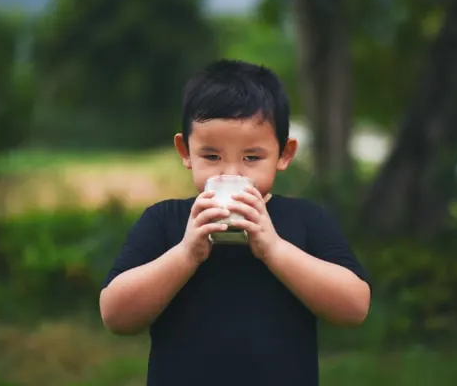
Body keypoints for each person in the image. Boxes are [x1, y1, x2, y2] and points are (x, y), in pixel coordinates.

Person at [99, 59, 371, 386]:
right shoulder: (165, 220)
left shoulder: (306, 220)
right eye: (211, 156)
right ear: (185, 151)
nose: (231, 174)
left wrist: (274, 248)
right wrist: (186, 254)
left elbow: (355, 307)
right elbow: (115, 315)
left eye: (252, 158)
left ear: (284, 154)